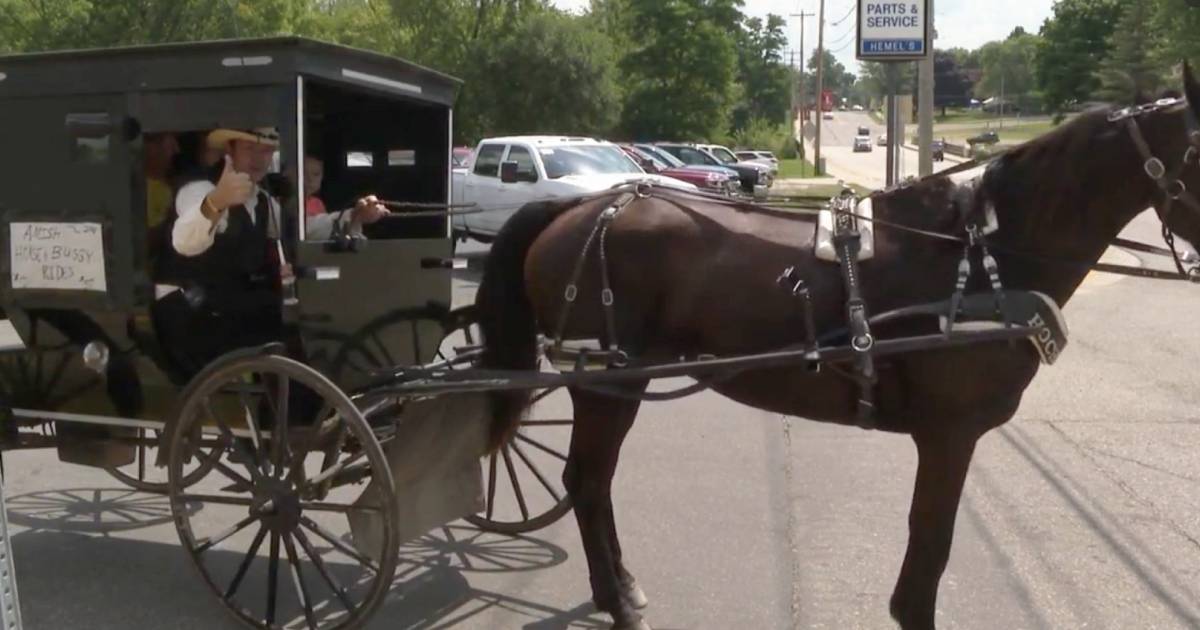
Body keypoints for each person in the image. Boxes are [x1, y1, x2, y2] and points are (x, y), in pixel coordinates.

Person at [152, 126, 388, 377]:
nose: (258, 158)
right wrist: (217, 201)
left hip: (229, 304)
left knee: (308, 313)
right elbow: (185, 241)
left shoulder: (261, 200)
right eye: (250, 149)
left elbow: (301, 231)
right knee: (287, 322)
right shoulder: (199, 188)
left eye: (265, 151)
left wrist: (354, 215)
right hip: (189, 310)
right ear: (230, 150)